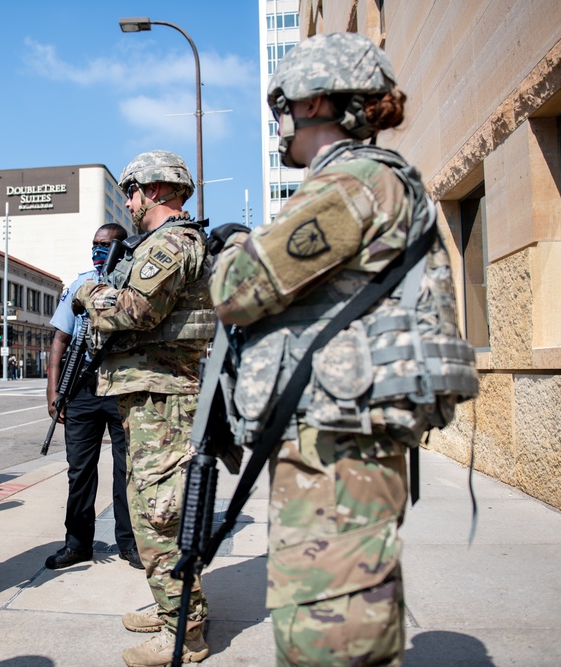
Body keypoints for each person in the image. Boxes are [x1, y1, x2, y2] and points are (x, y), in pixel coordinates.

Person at [209, 33, 464, 666]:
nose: (280, 125)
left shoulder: (353, 185)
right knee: (337, 620)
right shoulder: (370, 182)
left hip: (338, 450)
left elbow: (236, 291)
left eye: (283, 108)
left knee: (331, 636)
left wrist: (237, 252)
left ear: (316, 102)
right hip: (341, 440)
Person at [72, 151, 214, 666]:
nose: (127, 202)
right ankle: (176, 605)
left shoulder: (172, 242)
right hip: (154, 394)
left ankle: (185, 632)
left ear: (153, 190)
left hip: (166, 396)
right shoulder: (159, 243)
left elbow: (134, 310)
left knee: (159, 516)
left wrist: (89, 292)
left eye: (131, 192)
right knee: (156, 509)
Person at [44, 222, 141, 572]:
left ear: (122, 247)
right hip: (82, 388)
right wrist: (53, 390)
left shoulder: (135, 282)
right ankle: (77, 544)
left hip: (122, 386)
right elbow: (60, 339)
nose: (98, 250)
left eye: (106, 244)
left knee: (125, 470)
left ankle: (129, 544)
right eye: (95, 244)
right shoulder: (80, 283)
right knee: (80, 470)